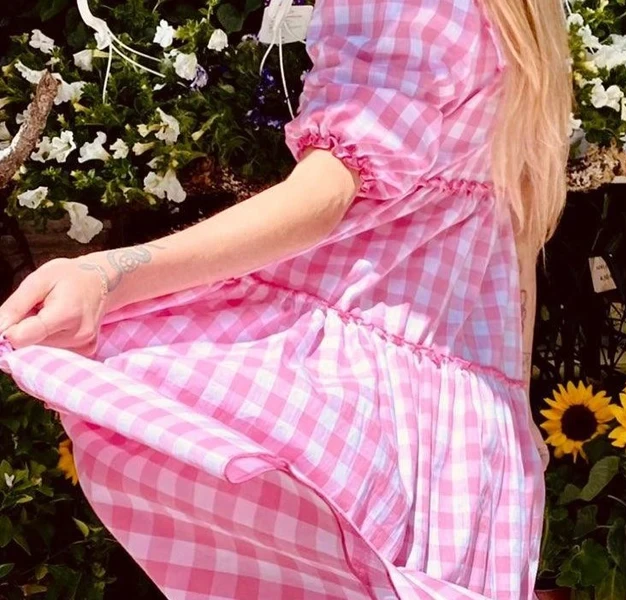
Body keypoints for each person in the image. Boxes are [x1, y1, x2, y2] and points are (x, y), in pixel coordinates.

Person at [0, 0, 570, 597]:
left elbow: (325, 195)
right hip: (469, 431)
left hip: (363, 403)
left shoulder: (410, 8)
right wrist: (519, 407)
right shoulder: (516, 25)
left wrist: (110, 273)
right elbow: (517, 236)